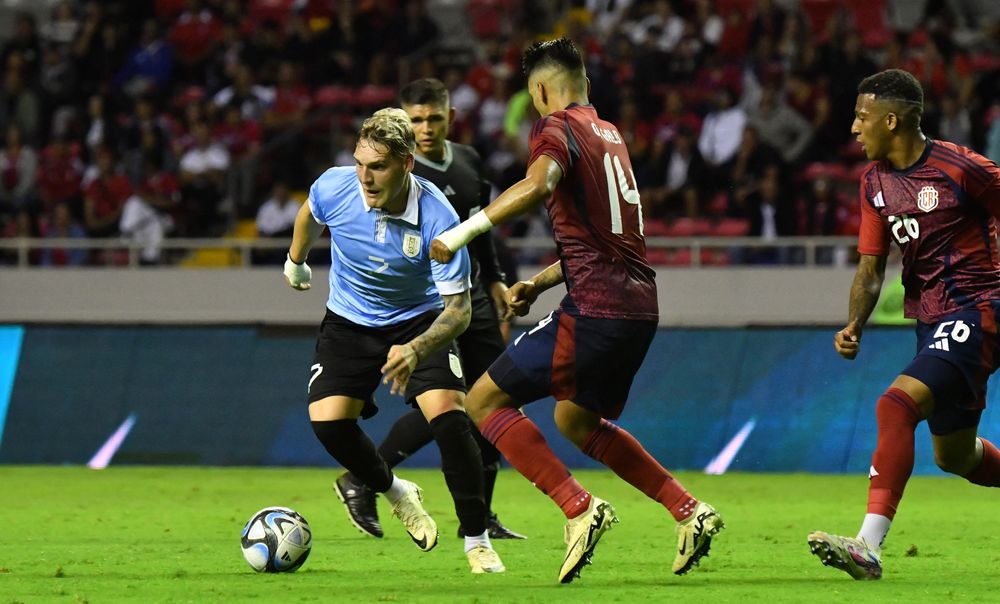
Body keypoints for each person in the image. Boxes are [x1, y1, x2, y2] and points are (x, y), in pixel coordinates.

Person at [429, 38, 725, 584]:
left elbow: (538, 184)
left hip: (595, 308)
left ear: (540, 90)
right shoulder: (611, 136)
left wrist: (463, 231)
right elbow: (604, 238)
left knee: (483, 399)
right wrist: (540, 283)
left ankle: (578, 508)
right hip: (638, 306)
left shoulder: (555, 128)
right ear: (585, 83)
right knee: (575, 418)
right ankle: (689, 510)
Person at [282, 108, 505, 574]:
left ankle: (477, 540)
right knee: (328, 424)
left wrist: (417, 348)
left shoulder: (438, 219)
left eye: (378, 166)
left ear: (406, 164)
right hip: (349, 320)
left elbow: (460, 311)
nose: (365, 176)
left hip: (419, 320)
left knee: (448, 417)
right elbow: (310, 213)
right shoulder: (336, 185)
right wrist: (296, 260)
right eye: (360, 162)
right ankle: (396, 492)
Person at [808, 69, 1000, 580]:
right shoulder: (874, 182)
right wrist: (854, 322)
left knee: (895, 404)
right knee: (955, 455)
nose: (853, 128)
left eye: (862, 117)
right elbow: (871, 269)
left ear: (892, 121)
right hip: (930, 319)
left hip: (982, 307)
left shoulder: (964, 170)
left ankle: (868, 547)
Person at [334, 78, 525, 541]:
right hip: (430, 306)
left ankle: (484, 513)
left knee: (494, 398)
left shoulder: (467, 162)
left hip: (475, 296)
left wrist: (497, 278)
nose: (424, 127)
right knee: (448, 403)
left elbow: (481, 230)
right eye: (415, 119)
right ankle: (363, 477)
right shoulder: (398, 173)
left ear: (450, 118)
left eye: (433, 118)